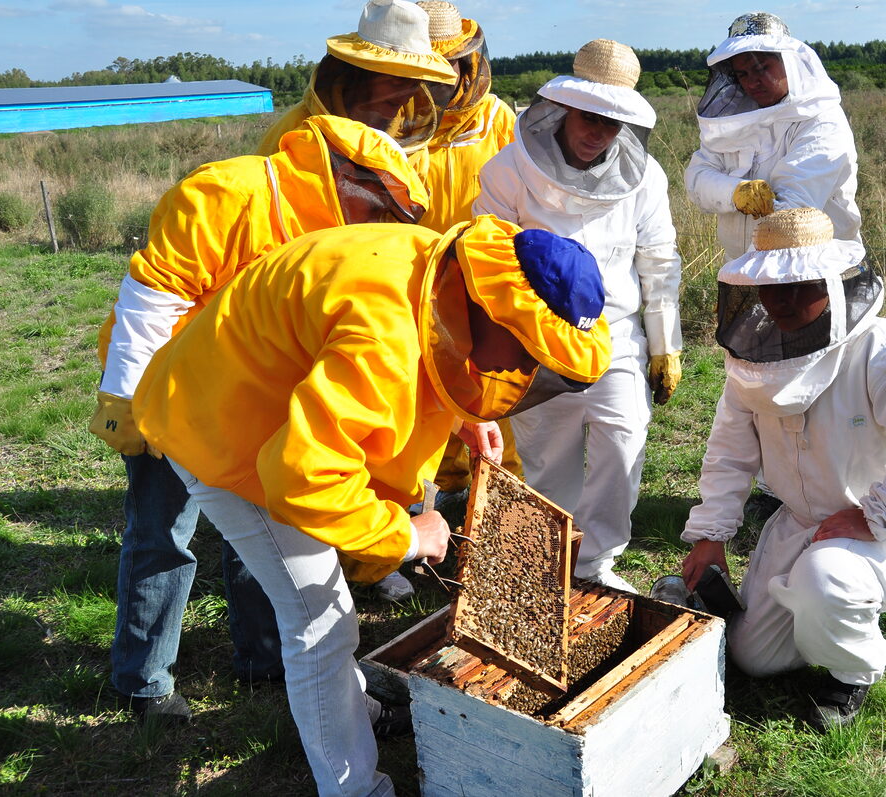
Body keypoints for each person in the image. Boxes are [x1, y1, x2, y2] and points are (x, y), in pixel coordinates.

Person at [131, 216, 611, 796]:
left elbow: (433, 351)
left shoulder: (437, 274)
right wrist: (408, 536)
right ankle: (355, 788)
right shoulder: (381, 330)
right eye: (529, 352)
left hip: (273, 407)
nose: (523, 373)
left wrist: (465, 413)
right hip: (222, 431)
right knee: (318, 622)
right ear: (494, 306)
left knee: (327, 613)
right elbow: (299, 476)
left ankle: (350, 710)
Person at [89, 115, 431, 723]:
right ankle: (144, 683)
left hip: (248, 398)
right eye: (379, 200)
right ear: (345, 177)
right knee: (163, 533)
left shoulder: (334, 226)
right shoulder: (227, 191)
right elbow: (154, 294)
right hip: (169, 389)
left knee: (263, 531)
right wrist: (125, 399)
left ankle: (266, 659)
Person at [680, 209, 886, 730]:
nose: (784, 302)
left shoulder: (883, 350)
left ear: (836, 284)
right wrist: (711, 535)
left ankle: (852, 670)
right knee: (755, 658)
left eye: (802, 287)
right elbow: (729, 451)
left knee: (826, 580)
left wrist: (877, 515)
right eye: (772, 289)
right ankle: (823, 612)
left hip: (882, 524)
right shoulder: (752, 361)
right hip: (800, 521)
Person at [473, 39, 682, 591]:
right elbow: (487, 261)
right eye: (591, 118)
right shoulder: (506, 171)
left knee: (623, 444)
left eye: (614, 125)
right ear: (564, 110)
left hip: (616, 338)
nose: (600, 134)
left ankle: (596, 565)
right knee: (548, 458)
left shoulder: (647, 178)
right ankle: (549, 567)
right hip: (536, 340)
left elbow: (658, 259)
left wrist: (666, 343)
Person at [416, 0, 523, 517]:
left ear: (468, 63)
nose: (441, 78)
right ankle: (405, 524)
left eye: (450, 64)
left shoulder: (500, 120)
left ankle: (492, 513)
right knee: (412, 400)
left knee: (488, 397)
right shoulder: (387, 120)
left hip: (481, 283)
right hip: (406, 281)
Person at [685, 11, 861, 262]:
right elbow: (697, 178)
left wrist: (746, 273)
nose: (752, 82)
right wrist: (735, 192)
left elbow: (792, 210)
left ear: (789, 62)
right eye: (742, 75)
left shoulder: (821, 119)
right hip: (741, 271)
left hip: (812, 274)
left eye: (761, 69)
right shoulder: (732, 121)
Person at [256, 0, 457, 169]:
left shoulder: (411, 137)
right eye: (396, 81)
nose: (405, 95)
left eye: (414, 83)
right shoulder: (294, 128)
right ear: (363, 73)